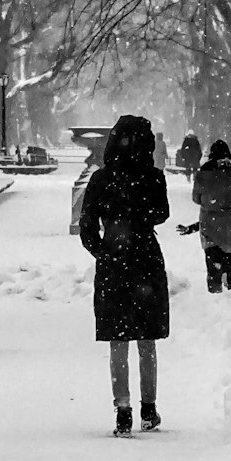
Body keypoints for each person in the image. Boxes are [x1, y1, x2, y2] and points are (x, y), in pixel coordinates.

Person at [79, 114, 170, 436]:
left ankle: (123, 408)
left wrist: (103, 251)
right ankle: (149, 407)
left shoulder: (101, 179)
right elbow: (162, 213)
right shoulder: (154, 177)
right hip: (145, 259)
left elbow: (87, 225)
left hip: (114, 262)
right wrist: (139, 217)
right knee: (147, 339)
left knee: (118, 340)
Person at [191, 139, 231, 294]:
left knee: (213, 262)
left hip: (209, 224)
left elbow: (196, 198)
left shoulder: (203, 172)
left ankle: (215, 289)